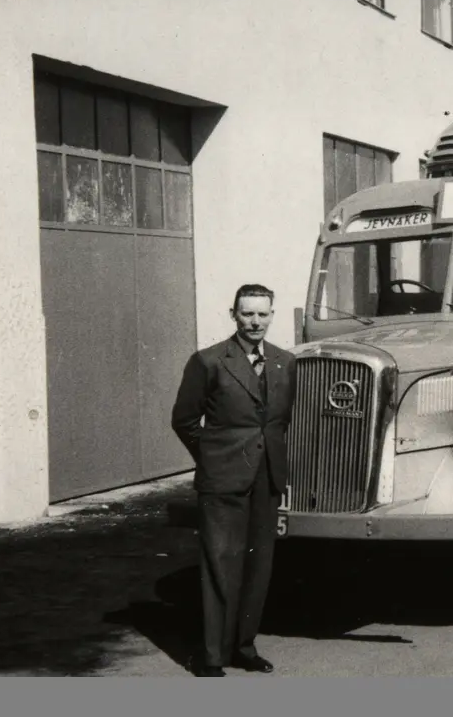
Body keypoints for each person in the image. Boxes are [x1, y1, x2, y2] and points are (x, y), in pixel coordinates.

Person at [171, 283, 297, 677]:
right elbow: (184, 420)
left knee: (258, 568)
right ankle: (212, 656)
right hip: (223, 478)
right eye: (247, 314)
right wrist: (214, 457)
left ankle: (244, 647)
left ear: (272, 315)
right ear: (233, 315)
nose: (255, 322)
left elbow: (280, 421)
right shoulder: (208, 361)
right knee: (220, 566)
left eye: (263, 314)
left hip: (267, 479)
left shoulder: (285, 361)